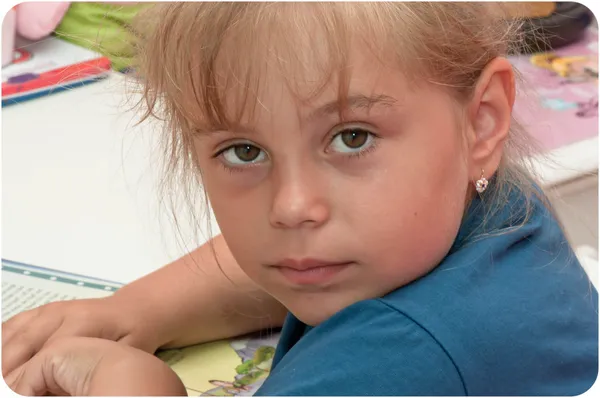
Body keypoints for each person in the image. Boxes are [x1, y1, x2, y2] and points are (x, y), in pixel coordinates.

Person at [2, 2, 598, 396]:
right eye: (243, 151)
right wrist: (134, 312)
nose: (291, 207)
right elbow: (276, 265)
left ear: (483, 121)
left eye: (352, 138)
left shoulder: (394, 361)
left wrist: (127, 378)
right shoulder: (484, 202)